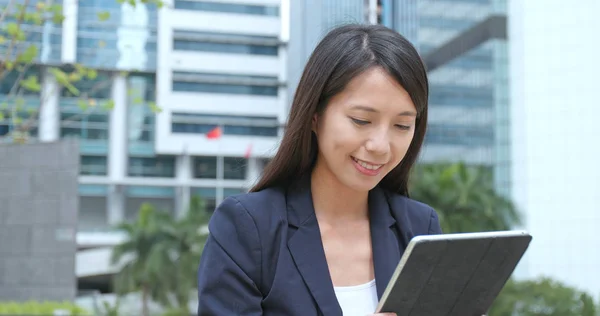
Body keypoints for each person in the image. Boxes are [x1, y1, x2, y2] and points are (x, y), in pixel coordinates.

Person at [197, 23, 442, 316]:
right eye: (362, 120)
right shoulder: (248, 228)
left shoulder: (419, 228)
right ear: (315, 115)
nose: (381, 145)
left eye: (402, 125)